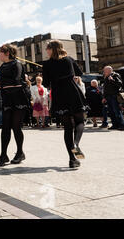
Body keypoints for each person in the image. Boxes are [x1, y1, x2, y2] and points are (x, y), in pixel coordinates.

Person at [43, 40, 87, 169]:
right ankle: (76, 144)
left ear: (52, 49)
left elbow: (46, 83)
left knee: (67, 126)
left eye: (47, 48)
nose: (46, 50)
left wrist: (52, 75)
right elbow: (80, 73)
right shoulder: (69, 59)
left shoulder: (47, 64)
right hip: (72, 92)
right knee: (80, 121)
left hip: (59, 94)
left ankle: (72, 160)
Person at [0, 44, 29, 167]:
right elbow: (2, 84)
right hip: (7, 98)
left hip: (18, 97)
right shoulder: (2, 66)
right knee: (5, 127)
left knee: (16, 127)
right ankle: (3, 155)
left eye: (1, 52)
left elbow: (16, 80)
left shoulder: (16, 64)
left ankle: (20, 152)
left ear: (7, 53)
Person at [102, 66, 124, 130]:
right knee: (111, 112)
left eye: (105, 71)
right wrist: (104, 97)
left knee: (117, 111)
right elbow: (105, 88)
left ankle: (121, 125)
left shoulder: (115, 75)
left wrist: (112, 80)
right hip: (108, 97)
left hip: (114, 96)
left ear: (109, 71)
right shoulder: (106, 77)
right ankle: (115, 125)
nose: (104, 72)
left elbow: (120, 84)